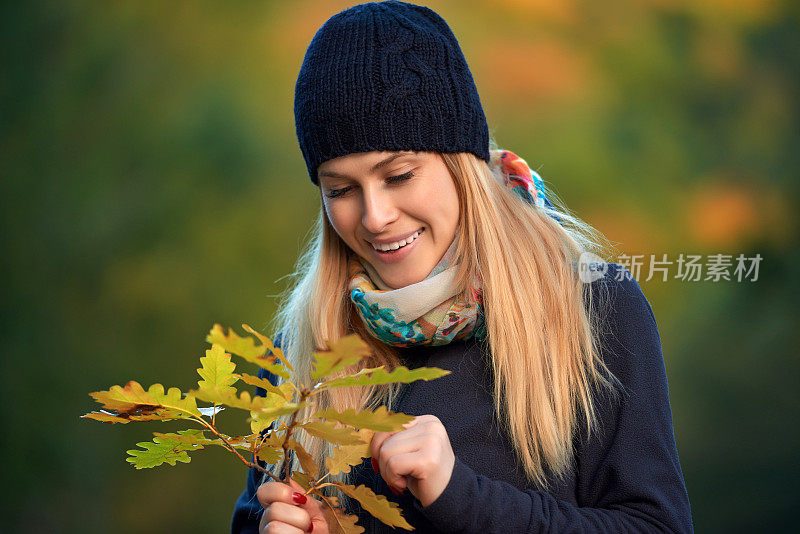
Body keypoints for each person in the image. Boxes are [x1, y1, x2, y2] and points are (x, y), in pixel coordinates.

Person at [232, 1, 693, 532]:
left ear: (461, 165)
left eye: (399, 175)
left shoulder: (592, 306)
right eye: (340, 190)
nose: (376, 217)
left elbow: (657, 527)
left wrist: (462, 496)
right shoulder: (303, 350)